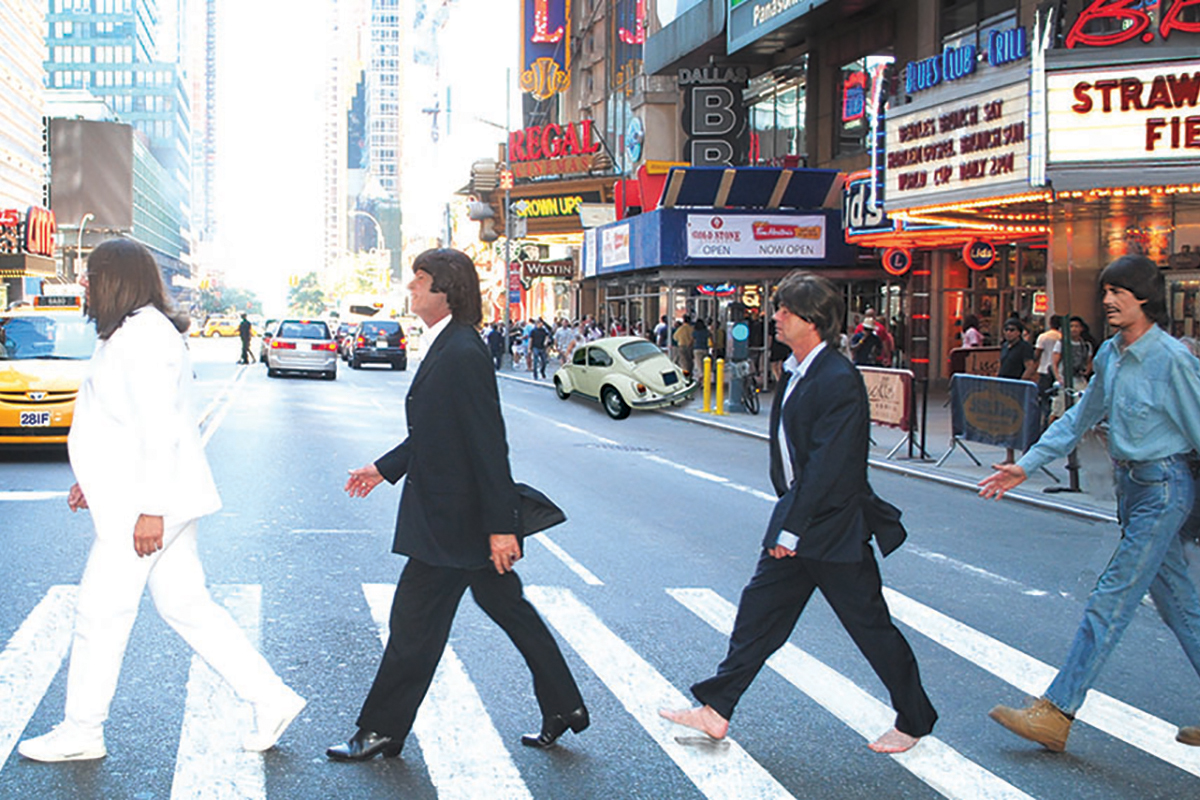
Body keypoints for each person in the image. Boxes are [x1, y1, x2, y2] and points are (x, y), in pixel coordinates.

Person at [19, 239, 304, 763]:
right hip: (149, 496)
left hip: (145, 506)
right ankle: (273, 698)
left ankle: (83, 728)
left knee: (99, 613)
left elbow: (159, 429)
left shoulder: (141, 338)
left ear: (115, 279)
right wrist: (92, 476)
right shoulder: (135, 331)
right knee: (187, 607)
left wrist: (150, 509)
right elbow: (123, 424)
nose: (84, 283)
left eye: (91, 274)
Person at [659, 271, 937, 755]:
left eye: (786, 309)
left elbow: (830, 467)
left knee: (869, 628)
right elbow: (793, 458)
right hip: (802, 520)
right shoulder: (797, 370)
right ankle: (717, 708)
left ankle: (915, 718)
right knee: (758, 615)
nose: (776, 316)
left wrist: (790, 529)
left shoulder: (837, 378)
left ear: (812, 320)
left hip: (830, 529)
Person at [328, 248, 587, 762]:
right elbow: (434, 432)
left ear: (446, 289)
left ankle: (382, 727)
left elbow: (488, 444)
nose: (411, 288)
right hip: (457, 519)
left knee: (412, 625)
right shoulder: (448, 344)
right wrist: (383, 469)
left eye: (420, 280)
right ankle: (565, 707)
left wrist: (500, 527)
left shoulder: (463, 351)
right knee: (508, 609)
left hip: (455, 525)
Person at [979, 254, 1200, 752]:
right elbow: (1078, 421)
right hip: (1134, 490)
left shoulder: (1172, 359)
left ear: (1144, 296)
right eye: (1105, 292)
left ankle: (1057, 711)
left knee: (1112, 597)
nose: (1107, 301)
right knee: (1181, 605)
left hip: (1165, 489)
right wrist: (1027, 464)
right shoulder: (1112, 355)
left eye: (1117, 292)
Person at [1049, 315, 1094, 421]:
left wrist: (1087, 371)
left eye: (1077, 326)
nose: (1074, 329)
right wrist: (1058, 378)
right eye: (1071, 326)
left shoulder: (1086, 345)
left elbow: (1089, 361)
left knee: (1082, 406)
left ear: (1081, 328)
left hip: (1079, 380)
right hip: (1064, 379)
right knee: (1058, 410)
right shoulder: (1061, 343)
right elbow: (1055, 362)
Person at [1033, 315, 1063, 427]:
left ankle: (1044, 423)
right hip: (1058, 373)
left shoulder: (1043, 337)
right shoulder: (1062, 337)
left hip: (1045, 370)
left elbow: (1037, 353)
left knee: (1044, 400)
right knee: (1055, 400)